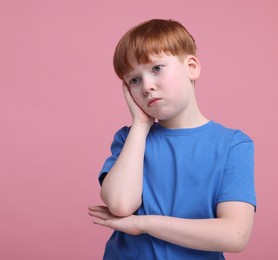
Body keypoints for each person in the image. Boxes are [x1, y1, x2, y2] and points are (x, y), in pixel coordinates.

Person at [88, 19, 256, 259]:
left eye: (156, 69)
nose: (146, 87)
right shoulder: (129, 139)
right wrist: (140, 124)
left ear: (191, 67)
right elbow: (121, 204)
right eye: (134, 80)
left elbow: (235, 235)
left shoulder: (232, 145)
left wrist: (144, 224)